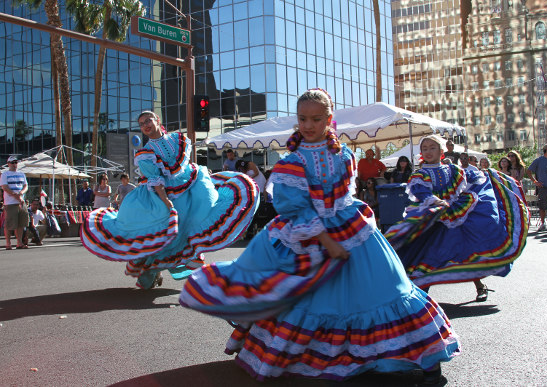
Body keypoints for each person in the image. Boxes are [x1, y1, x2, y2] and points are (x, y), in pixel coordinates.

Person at [180, 89, 460, 384]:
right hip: (314, 234)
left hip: (354, 229)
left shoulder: (345, 155)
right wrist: (326, 240)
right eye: (303, 119)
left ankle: (422, 355)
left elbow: (344, 195)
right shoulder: (292, 162)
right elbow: (294, 207)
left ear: (329, 118)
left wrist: (341, 225)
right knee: (310, 296)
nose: (309, 125)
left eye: (316, 118)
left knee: (386, 289)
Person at [81, 111, 259, 289]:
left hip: (190, 188)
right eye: (141, 124)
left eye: (148, 121)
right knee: (161, 232)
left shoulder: (177, 139)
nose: (145, 125)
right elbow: (156, 180)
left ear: (157, 120)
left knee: (197, 221)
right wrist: (166, 202)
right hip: (162, 195)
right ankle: (152, 271)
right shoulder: (145, 153)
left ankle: (190, 270)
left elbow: (184, 165)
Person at [385, 135, 529, 302]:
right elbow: (421, 191)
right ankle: (420, 298)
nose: (428, 151)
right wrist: (433, 200)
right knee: (426, 255)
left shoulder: (453, 170)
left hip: (457, 215)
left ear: (442, 152)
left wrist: (486, 174)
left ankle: (480, 285)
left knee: (467, 250)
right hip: (434, 218)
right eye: (425, 149)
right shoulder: (420, 174)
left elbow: (471, 179)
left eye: (432, 148)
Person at [527, 144, 547, 231]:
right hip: (543, 187)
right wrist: (535, 182)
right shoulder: (538, 160)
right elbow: (529, 171)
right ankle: (543, 223)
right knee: (542, 206)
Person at [1, 156, 29, 250]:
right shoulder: (5, 174)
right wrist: (16, 195)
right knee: (9, 224)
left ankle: (19, 242)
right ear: (8, 163)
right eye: (12, 162)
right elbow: (5, 187)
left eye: (16, 162)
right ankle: (8, 243)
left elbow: (25, 186)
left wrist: (21, 193)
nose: (14, 164)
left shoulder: (22, 174)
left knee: (21, 223)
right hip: (10, 202)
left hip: (21, 201)